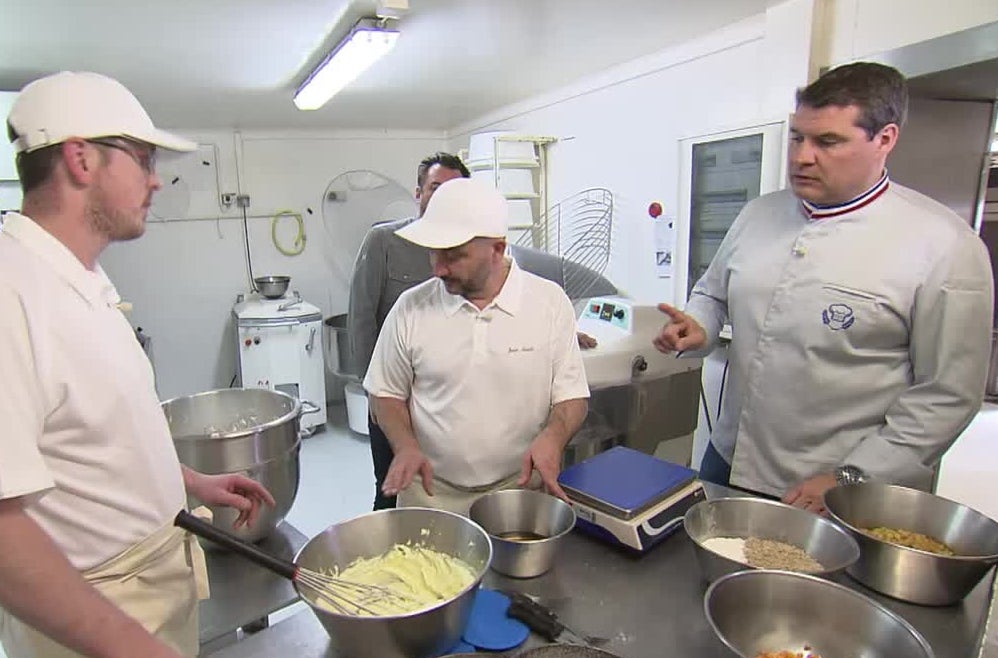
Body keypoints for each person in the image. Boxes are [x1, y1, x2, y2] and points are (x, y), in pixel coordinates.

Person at [0, 71, 274, 658]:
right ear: (80, 158)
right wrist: (144, 656)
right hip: (92, 624)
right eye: (143, 158)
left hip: (154, 596)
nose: (156, 179)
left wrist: (189, 482)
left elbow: (94, 435)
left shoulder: (83, 282)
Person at [654, 62, 993, 514]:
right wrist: (699, 325)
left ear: (885, 139)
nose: (801, 157)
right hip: (728, 459)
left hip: (838, 486)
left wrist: (852, 476)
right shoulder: (758, 216)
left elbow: (947, 394)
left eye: (827, 141)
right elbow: (713, 293)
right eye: (797, 137)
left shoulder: (944, 246)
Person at [349, 152, 615, 510]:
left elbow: (571, 396)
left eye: (454, 256)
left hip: (517, 492)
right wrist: (406, 445)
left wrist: (553, 437)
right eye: (433, 254)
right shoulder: (411, 308)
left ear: (497, 249)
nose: (438, 269)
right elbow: (385, 394)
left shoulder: (549, 303)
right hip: (430, 494)